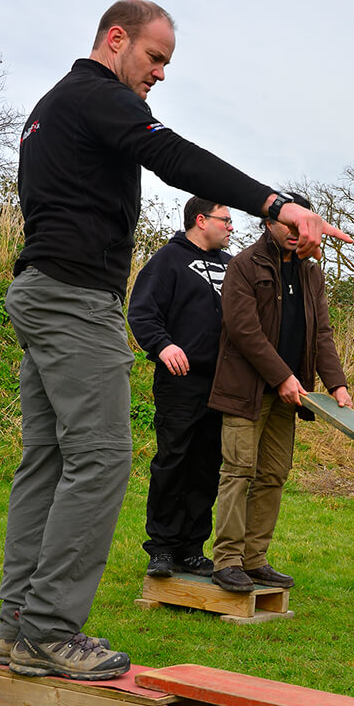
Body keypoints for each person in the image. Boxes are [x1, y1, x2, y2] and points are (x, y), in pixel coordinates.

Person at [0, 0, 351, 681]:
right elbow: (170, 153)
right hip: (73, 300)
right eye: (154, 58)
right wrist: (275, 203)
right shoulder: (95, 96)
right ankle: (47, 631)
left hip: (40, 290)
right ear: (116, 40)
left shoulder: (51, 109)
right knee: (99, 461)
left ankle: (19, 629)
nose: (158, 74)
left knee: (47, 464)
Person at [206, 192, 352, 593]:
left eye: (302, 225)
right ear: (268, 222)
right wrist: (283, 376)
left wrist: (336, 383)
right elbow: (244, 331)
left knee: (273, 475)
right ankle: (228, 562)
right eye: (289, 223)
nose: (295, 232)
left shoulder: (311, 272)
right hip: (244, 390)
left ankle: (254, 561)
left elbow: (321, 333)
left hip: (289, 397)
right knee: (238, 471)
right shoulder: (243, 265)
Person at [128, 196, 234, 580]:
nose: (230, 227)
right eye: (225, 219)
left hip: (222, 384)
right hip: (180, 381)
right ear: (201, 220)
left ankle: (191, 548)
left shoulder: (231, 266)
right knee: (173, 461)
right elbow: (141, 311)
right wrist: (162, 344)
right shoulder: (168, 261)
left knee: (207, 465)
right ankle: (162, 548)